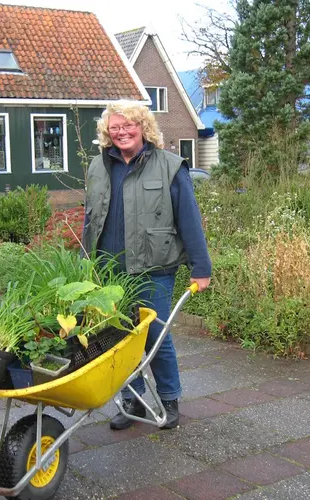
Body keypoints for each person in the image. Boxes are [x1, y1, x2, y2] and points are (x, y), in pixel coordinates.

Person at [81, 101, 212, 430]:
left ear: (143, 128)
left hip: (155, 267)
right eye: (115, 127)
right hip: (110, 270)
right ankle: (134, 401)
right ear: (107, 132)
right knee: (117, 338)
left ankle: (169, 400)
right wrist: (85, 264)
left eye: (129, 126)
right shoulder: (98, 167)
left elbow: (189, 219)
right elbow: (90, 219)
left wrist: (201, 267)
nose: (122, 132)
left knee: (155, 335)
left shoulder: (169, 166)